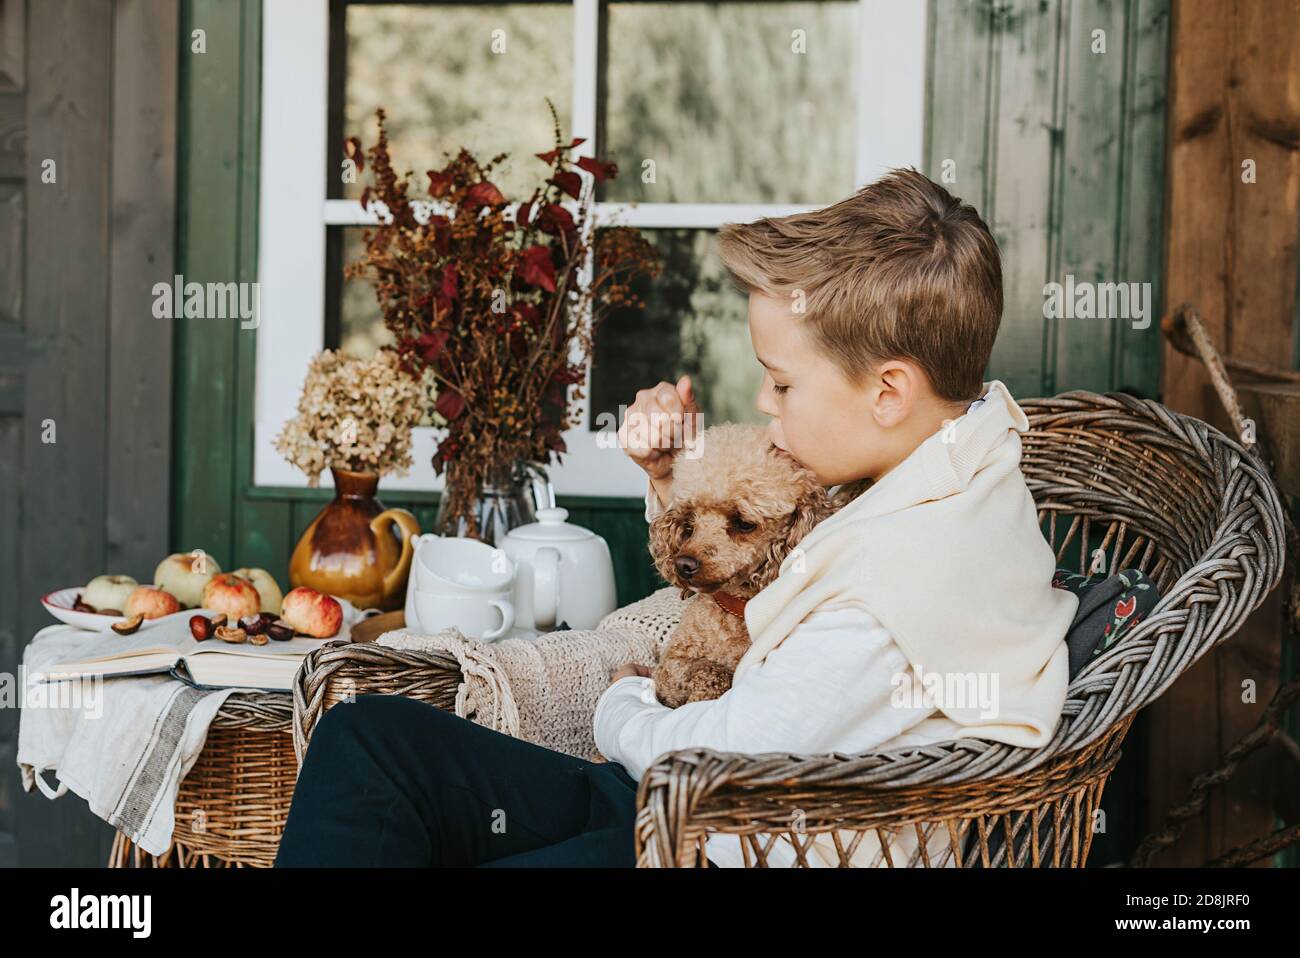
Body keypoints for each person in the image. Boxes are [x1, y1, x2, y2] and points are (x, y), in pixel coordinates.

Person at [275, 167, 1075, 868]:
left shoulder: (902, 582)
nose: (765, 408)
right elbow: (753, 575)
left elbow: (723, 753)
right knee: (367, 739)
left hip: (719, 836)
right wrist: (667, 477)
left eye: (783, 384)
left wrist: (622, 704)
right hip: (671, 806)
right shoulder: (949, 466)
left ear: (889, 392)